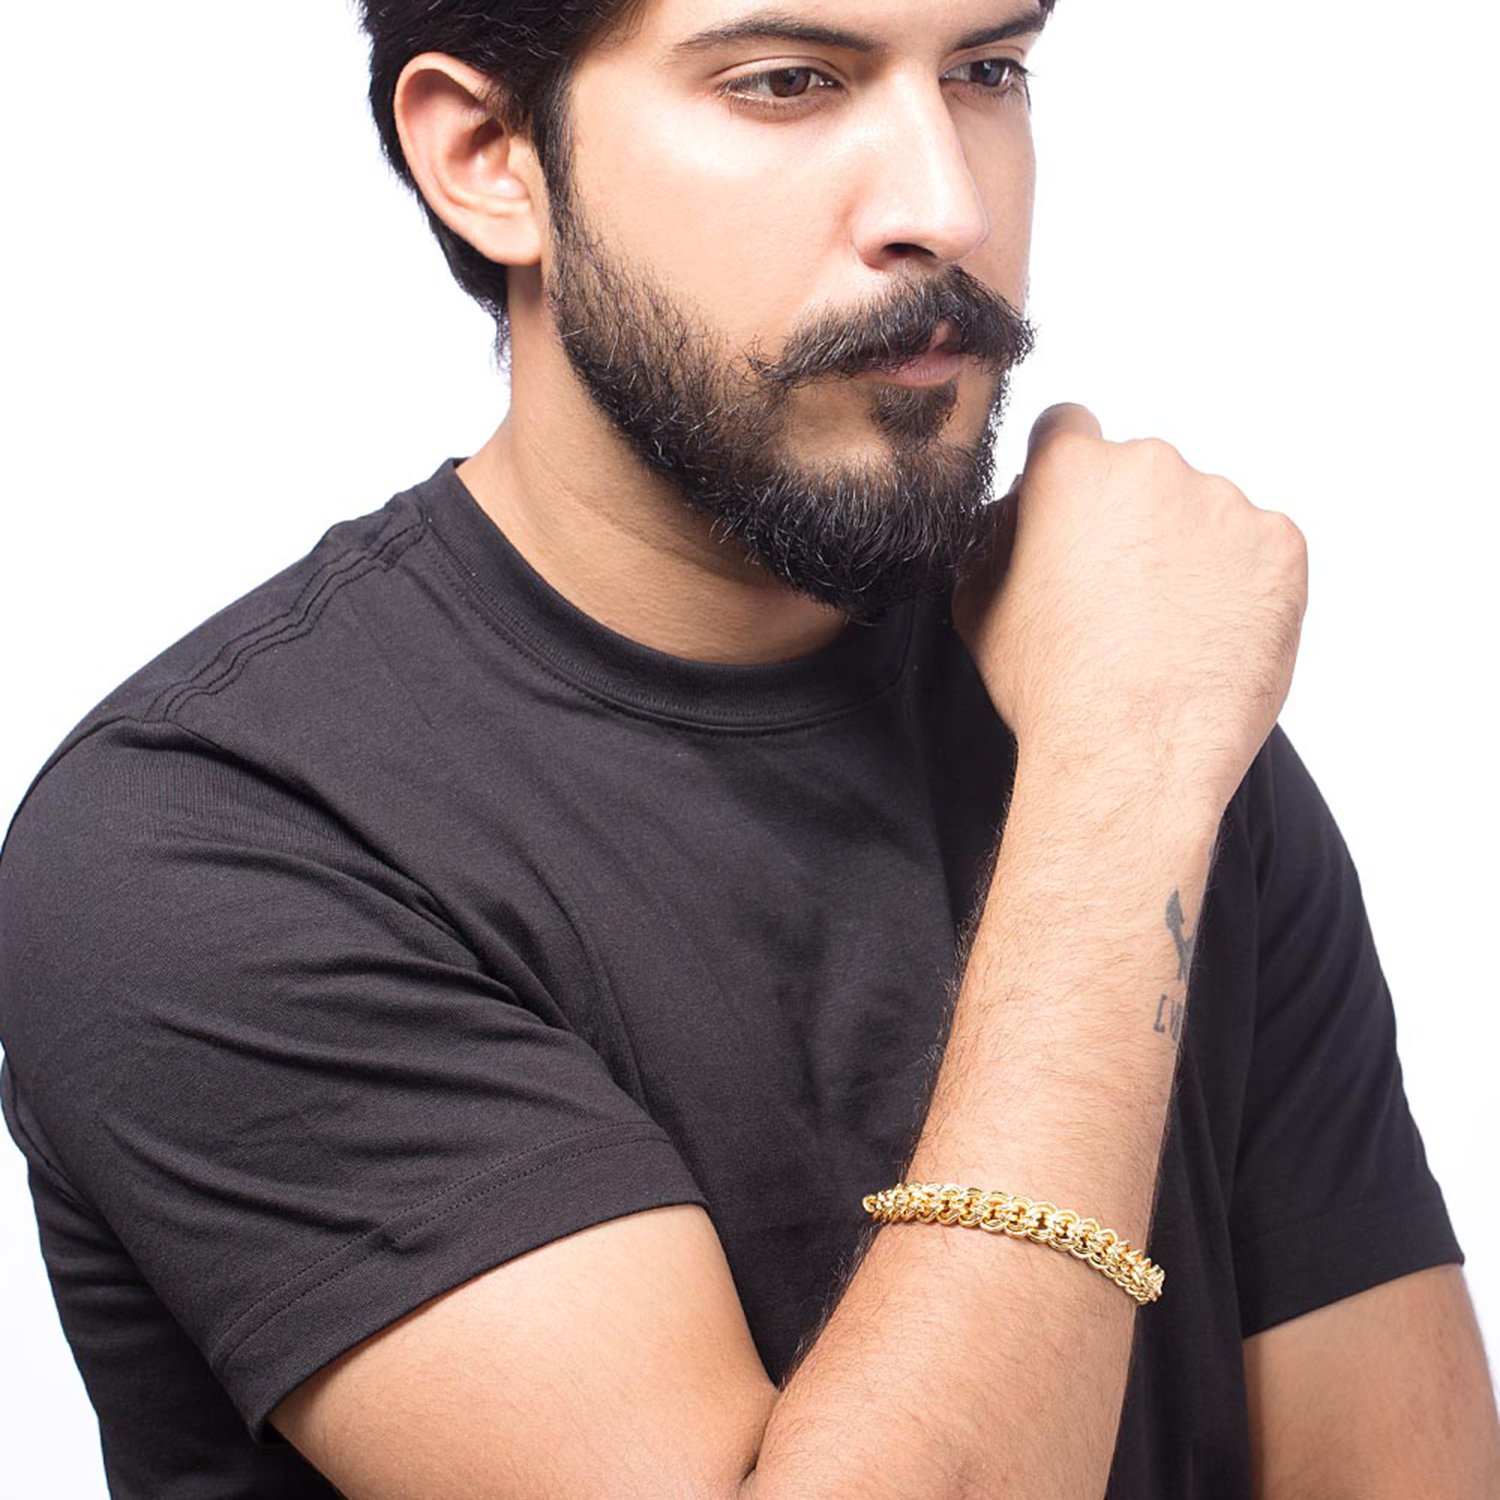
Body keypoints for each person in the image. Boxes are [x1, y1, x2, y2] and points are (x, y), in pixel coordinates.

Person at [1, 0, 1496, 1495]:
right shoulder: (202, 847)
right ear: (490, 154)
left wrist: (1135, 755)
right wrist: (1117, 783)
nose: (948, 208)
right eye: (788, 83)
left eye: (987, 71)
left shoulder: (1118, 685)